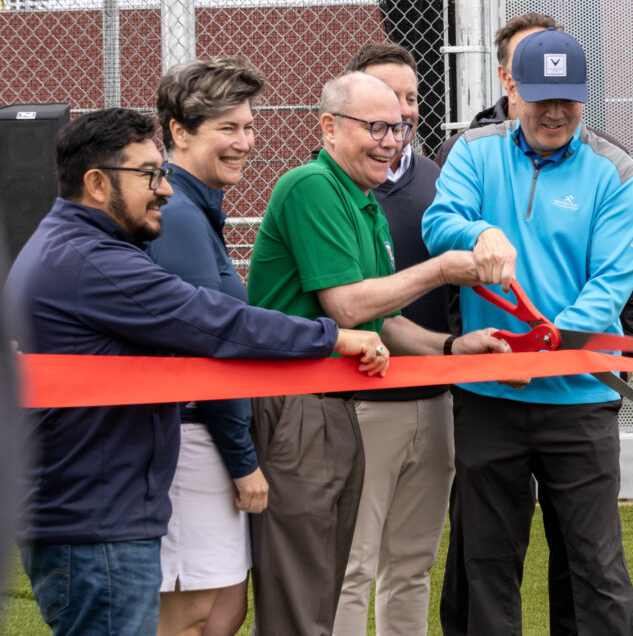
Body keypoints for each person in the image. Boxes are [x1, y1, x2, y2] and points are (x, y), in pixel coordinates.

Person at [3, 107, 389, 636]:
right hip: (95, 526)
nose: (163, 190)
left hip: (94, 514)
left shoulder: (78, 248)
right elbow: (214, 321)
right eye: (147, 175)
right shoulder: (93, 261)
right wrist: (333, 336)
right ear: (96, 183)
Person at [246, 71, 509, 636]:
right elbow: (346, 306)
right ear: (328, 127)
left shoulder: (361, 200)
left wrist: (449, 347)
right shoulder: (311, 185)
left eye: (400, 127)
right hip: (299, 405)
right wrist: (441, 268)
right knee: (325, 576)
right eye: (377, 127)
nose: (392, 141)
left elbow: (380, 320)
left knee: (367, 567)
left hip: (334, 404)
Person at [434, 12, 633, 635]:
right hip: (487, 394)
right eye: (540, 99)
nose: (555, 113)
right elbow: (440, 222)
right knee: (485, 562)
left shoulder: (615, 173)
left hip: (579, 397)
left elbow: (612, 283)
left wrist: (548, 347)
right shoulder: (472, 154)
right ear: (512, 90)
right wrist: (478, 232)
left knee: (594, 563)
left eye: (568, 100)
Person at [327, 43, 455, 636]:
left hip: (434, 398)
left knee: (412, 563)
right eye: (380, 108)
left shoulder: (439, 178)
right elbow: (354, 308)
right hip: (362, 401)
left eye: (407, 104)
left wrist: (454, 353)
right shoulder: (325, 189)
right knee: (353, 565)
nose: (396, 122)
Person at [145, 56, 266, 636]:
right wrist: (244, 464)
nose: (244, 142)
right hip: (189, 437)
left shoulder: (197, 209)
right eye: (227, 128)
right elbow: (206, 345)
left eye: (247, 126)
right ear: (179, 132)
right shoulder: (180, 214)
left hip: (206, 436)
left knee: (222, 611)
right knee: (193, 615)